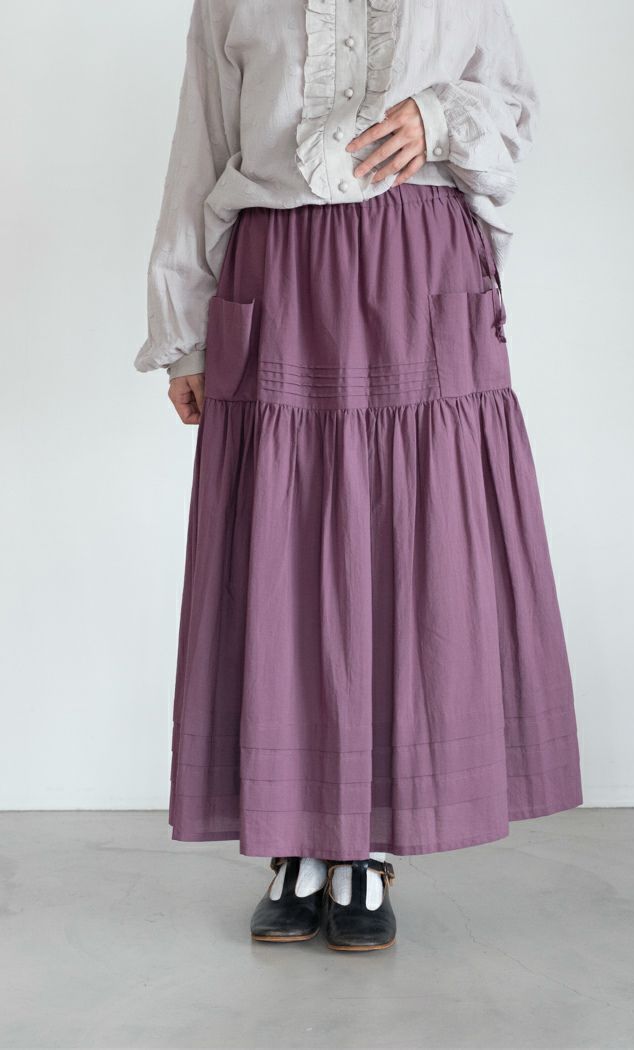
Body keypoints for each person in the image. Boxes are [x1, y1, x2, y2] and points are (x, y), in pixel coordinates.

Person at [134, 0, 584, 953]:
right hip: (281, 275)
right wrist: (181, 334)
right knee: (284, 565)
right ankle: (295, 842)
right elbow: (198, 148)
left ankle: (368, 850)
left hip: (421, 275)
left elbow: (514, 108)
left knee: (412, 562)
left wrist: (440, 116)